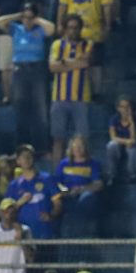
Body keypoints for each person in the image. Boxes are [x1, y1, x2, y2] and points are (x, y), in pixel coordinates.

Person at [0, 1, 54, 146]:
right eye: (26, 17)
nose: (28, 20)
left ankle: (42, 146)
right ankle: (22, 146)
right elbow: (0, 22)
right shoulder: (16, 29)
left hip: (37, 70)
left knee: (40, 109)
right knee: (20, 108)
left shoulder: (39, 29)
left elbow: (51, 29)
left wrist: (36, 20)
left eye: (30, 17)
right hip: (20, 69)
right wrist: (18, 16)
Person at [48, 15, 93, 163]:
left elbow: (85, 63)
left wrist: (64, 63)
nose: (73, 31)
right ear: (65, 29)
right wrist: (75, 63)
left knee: (82, 140)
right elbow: (52, 67)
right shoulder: (57, 45)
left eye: (76, 27)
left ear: (80, 29)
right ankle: (57, 176)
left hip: (81, 98)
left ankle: (83, 171)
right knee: (57, 139)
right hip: (59, 97)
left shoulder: (88, 44)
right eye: (70, 27)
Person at [6, 143, 61, 240]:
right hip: (24, 236)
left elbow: (58, 203)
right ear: (18, 161)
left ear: (34, 158)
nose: (26, 159)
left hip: (46, 234)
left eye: (29, 156)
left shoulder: (48, 179)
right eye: (23, 157)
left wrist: (51, 215)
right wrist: (20, 202)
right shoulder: (13, 185)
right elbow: (7, 211)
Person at [105, 95, 136, 184]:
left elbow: (133, 138)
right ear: (118, 108)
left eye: (128, 106)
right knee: (111, 145)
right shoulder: (114, 119)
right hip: (119, 144)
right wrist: (126, 141)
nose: (125, 109)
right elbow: (113, 137)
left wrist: (131, 122)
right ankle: (112, 175)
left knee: (133, 149)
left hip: (131, 146)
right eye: (122, 107)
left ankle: (132, 176)